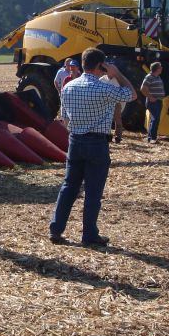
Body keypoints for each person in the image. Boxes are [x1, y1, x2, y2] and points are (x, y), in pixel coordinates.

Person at [49, 48, 134, 248]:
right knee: (93, 192)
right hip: (97, 143)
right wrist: (117, 74)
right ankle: (89, 234)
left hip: (75, 142)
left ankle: (56, 229)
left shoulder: (68, 87)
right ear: (100, 66)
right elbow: (131, 94)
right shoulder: (103, 88)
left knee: (69, 187)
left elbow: (65, 119)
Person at [140, 62, 165, 144]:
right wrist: (150, 97)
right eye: (160, 67)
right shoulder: (149, 77)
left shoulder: (157, 77)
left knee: (154, 119)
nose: (161, 68)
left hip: (158, 101)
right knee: (155, 119)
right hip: (153, 102)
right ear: (157, 69)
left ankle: (150, 138)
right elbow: (143, 88)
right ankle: (152, 138)